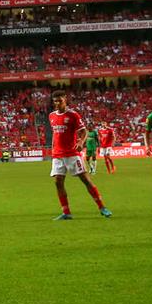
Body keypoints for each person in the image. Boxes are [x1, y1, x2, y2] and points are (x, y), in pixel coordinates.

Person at [47, 92, 111, 221]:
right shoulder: (52, 116)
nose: (58, 103)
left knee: (85, 180)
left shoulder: (73, 115)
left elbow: (83, 131)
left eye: (60, 101)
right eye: (55, 101)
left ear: (65, 99)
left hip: (71, 154)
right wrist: (53, 149)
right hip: (57, 155)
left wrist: (81, 142)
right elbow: (55, 134)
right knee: (58, 182)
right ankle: (66, 212)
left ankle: (102, 207)